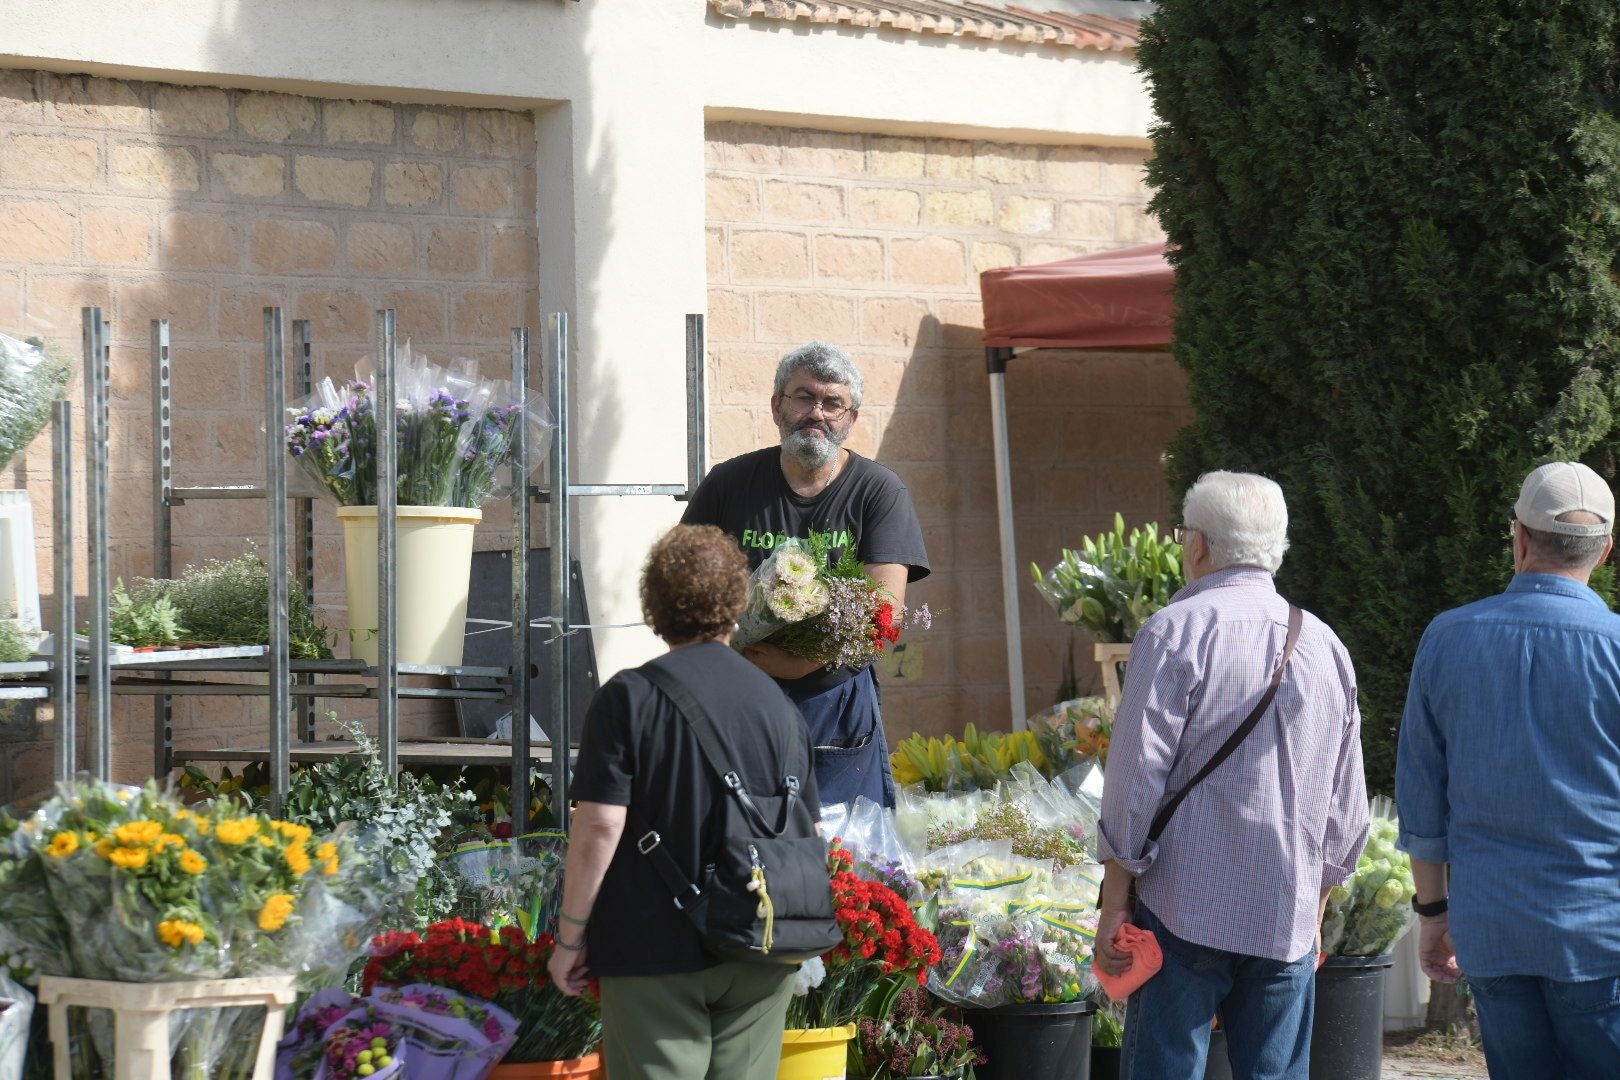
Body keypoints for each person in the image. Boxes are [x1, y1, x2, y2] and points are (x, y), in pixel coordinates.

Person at [1094, 470, 1368, 1080]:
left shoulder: (1174, 631)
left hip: (1183, 902)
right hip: (1286, 908)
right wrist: (1317, 904)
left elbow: (1135, 782)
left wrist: (1115, 906)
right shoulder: (1325, 645)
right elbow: (1348, 803)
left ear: (1198, 545)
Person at [547, 525, 819, 1080]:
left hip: (655, 945)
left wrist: (570, 936)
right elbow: (805, 827)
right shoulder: (782, 707)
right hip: (761, 944)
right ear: (738, 605)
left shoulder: (628, 698)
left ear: (654, 608)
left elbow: (599, 823)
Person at [1395, 461, 1620, 1077]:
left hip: (1490, 930)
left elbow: (1421, 796)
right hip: (1600, 932)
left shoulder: (1446, 637)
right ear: (1605, 551)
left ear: (1518, 538)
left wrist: (1433, 914)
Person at [680, 340, 929, 808]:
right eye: (804, 397)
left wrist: (801, 664)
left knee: (842, 854)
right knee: (739, 847)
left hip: (833, 707)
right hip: (737, 700)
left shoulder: (879, 492)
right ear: (778, 406)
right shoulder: (728, 484)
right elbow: (683, 591)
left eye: (833, 402)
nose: (817, 413)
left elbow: (885, 614)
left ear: (851, 418)